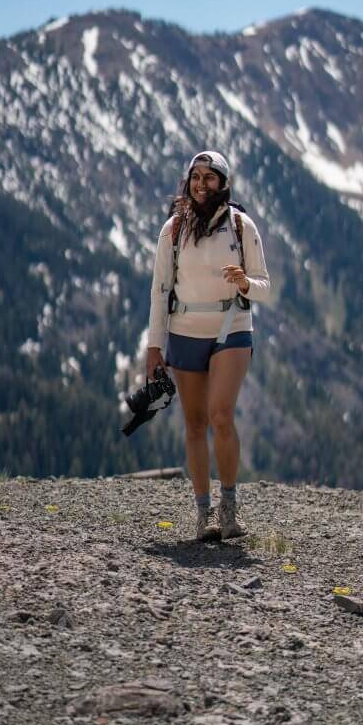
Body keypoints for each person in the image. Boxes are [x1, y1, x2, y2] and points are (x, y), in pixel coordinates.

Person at [146, 150, 270, 541]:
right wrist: (155, 347)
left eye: (209, 177)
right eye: (195, 177)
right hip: (184, 331)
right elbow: (159, 291)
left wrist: (246, 283)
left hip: (232, 326)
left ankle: (229, 507)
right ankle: (205, 514)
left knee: (220, 416)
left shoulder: (240, 225)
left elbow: (265, 286)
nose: (201, 184)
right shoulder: (174, 229)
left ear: (223, 183)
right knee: (195, 424)